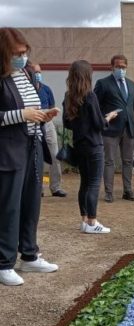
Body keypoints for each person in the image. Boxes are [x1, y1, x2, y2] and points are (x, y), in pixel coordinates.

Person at [0, 28, 58, 286]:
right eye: (16, 53)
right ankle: (4, 263)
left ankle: (29, 255)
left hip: (31, 145)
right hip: (8, 151)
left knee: (31, 203)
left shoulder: (26, 73)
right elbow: (17, 113)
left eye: (24, 53)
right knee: (9, 207)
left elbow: (30, 108)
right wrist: (22, 115)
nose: (21, 58)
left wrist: (43, 115)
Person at [63, 60, 118, 234]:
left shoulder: (68, 96)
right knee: (94, 183)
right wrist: (108, 118)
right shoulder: (90, 96)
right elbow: (99, 124)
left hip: (79, 145)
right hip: (94, 145)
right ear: (87, 75)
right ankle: (93, 222)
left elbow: (67, 123)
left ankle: (84, 220)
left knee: (85, 183)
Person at [94, 54, 134, 202]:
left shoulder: (132, 85)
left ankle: (128, 191)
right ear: (112, 67)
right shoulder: (103, 83)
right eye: (118, 66)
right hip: (110, 129)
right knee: (109, 161)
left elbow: (132, 106)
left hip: (128, 128)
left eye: (123, 67)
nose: (121, 69)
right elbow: (96, 106)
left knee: (128, 161)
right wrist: (103, 120)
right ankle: (109, 193)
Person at [32, 63, 66, 197]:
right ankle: (38, 188)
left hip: (47, 124)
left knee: (54, 155)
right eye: (35, 72)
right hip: (33, 125)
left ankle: (56, 187)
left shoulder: (46, 89)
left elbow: (52, 105)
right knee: (36, 158)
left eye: (39, 72)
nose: (37, 75)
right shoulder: (26, 90)